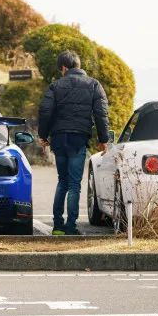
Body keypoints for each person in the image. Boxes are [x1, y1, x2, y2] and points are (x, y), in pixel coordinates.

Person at [37, 50, 110, 236]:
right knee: (74, 185)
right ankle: (71, 227)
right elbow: (101, 114)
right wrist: (103, 140)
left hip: (59, 138)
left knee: (62, 181)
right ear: (78, 65)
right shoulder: (93, 84)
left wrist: (43, 135)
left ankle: (57, 226)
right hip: (79, 139)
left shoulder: (55, 86)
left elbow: (45, 111)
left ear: (63, 68)